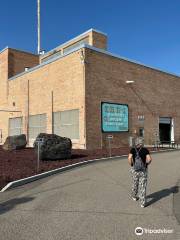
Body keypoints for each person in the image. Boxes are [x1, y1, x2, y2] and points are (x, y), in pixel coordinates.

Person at [128, 137, 152, 207]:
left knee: (135, 183)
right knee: (142, 185)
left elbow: (129, 158)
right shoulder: (145, 150)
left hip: (135, 170)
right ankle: (142, 203)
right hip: (143, 170)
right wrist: (146, 165)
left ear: (136, 143)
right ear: (142, 143)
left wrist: (132, 165)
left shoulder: (133, 149)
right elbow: (149, 159)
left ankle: (134, 196)